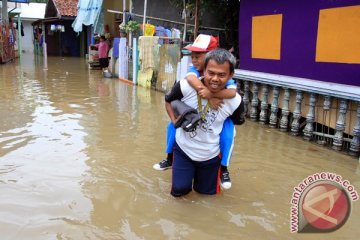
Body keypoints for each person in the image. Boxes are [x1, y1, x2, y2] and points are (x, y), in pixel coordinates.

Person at [153, 34, 239, 189]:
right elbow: (190, 79)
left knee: (228, 134)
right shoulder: (193, 71)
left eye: (198, 56)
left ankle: (224, 168)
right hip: (190, 123)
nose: (194, 60)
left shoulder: (224, 72)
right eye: (193, 56)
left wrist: (212, 94)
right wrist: (204, 90)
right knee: (172, 126)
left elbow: (232, 93)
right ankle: (169, 157)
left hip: (218, 119)